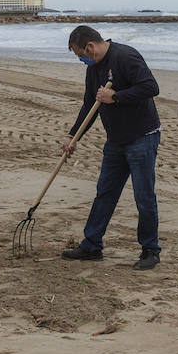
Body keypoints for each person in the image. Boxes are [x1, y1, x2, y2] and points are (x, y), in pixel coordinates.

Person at [60, 25, 162, 270]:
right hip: (116, 141)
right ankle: (92, 245)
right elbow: (89, 106)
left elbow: (151, 87)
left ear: (90, 47)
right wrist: (73, 136)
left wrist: (115, 97)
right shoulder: (93, 69)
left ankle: (150, 250)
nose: (81, 60)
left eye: (80, 55)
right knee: (105, 193)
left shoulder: (126, 56)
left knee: (143, 196)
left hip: (142, 137)